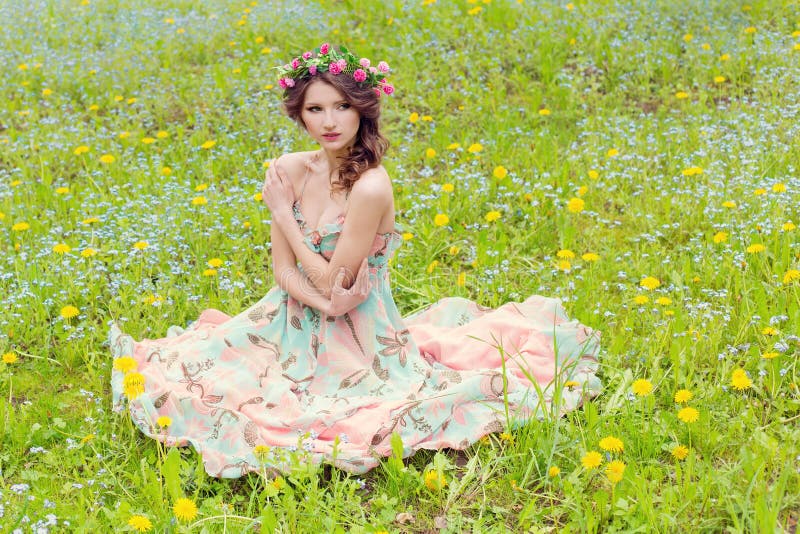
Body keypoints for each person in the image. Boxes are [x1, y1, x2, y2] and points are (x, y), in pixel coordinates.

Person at [108, 43, 602, 479]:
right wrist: (321, 304)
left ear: (362, 110)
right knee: (202, 376)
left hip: (363, 335)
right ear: (298, 115)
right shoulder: (287, 169)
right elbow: (286, 275)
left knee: (329, 409)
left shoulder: (371, 186)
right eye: (315, 109)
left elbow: (332, 279)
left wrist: (284, 218)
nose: (328, 121)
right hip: (288, 313)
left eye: (342, 106)